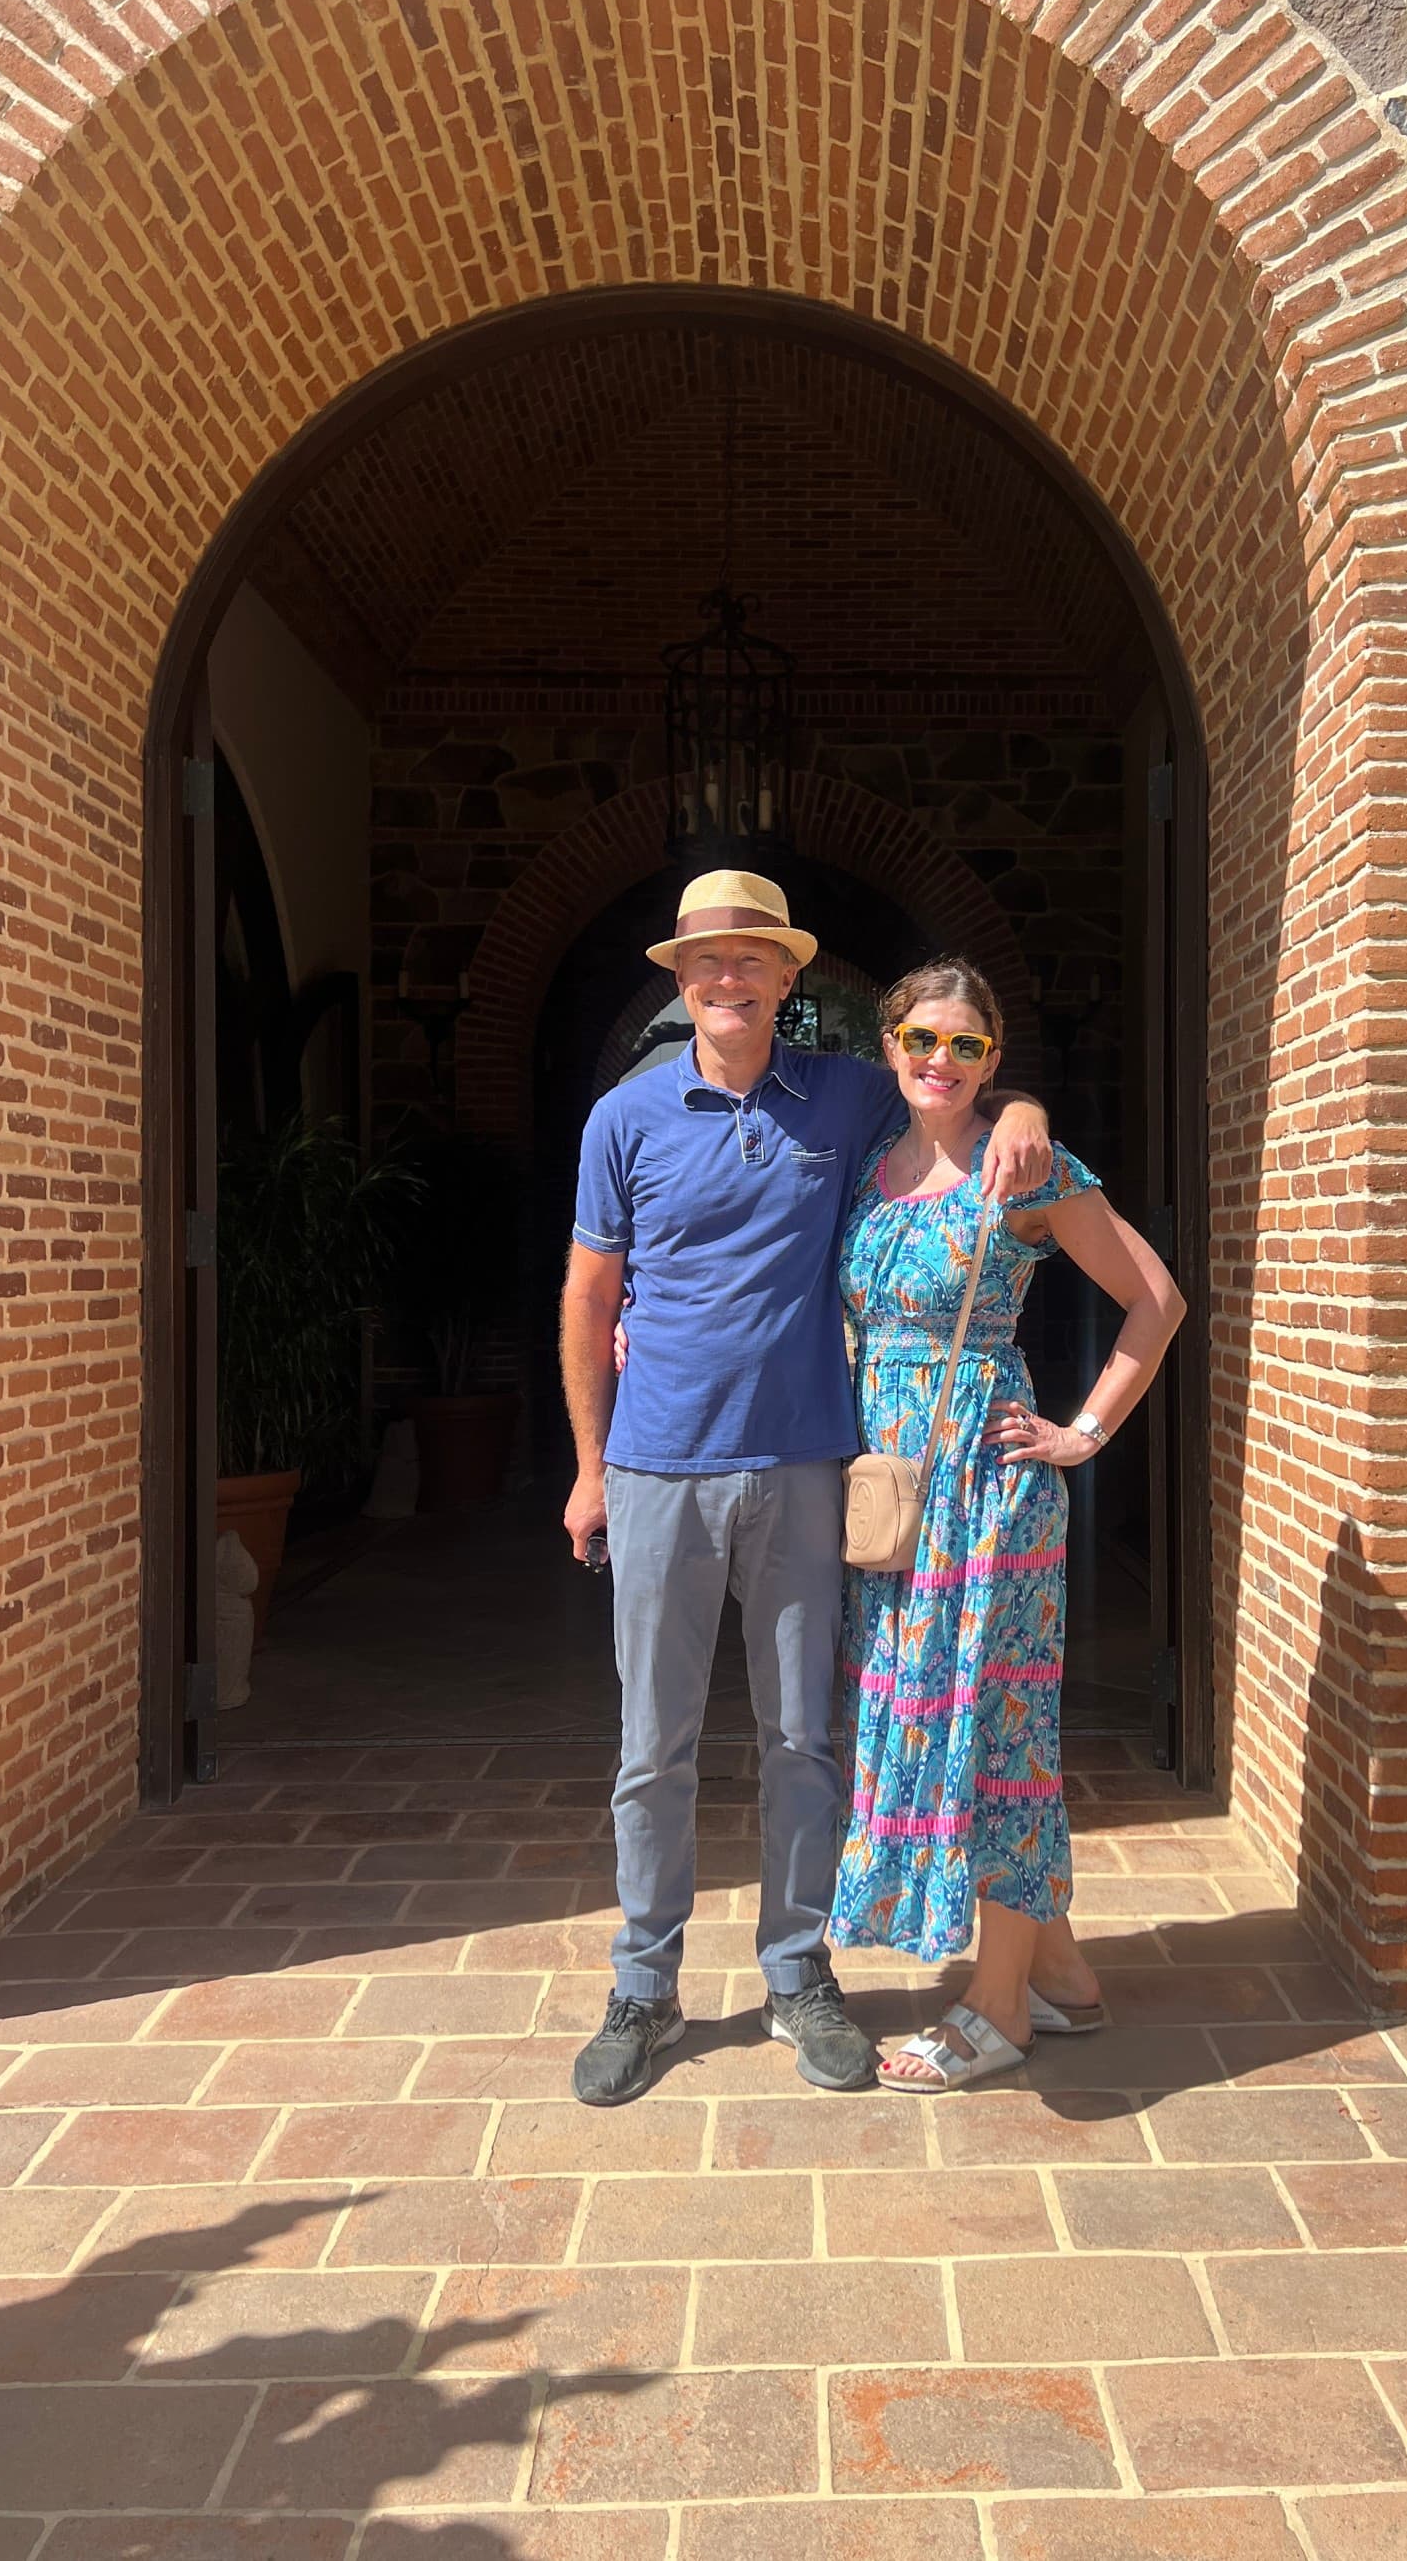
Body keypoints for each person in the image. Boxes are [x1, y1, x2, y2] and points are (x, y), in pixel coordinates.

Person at [559, 871, 1053, 2107]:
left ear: (788, 976)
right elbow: (588, 1295)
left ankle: (797, 1974)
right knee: (651, 1749)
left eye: (752, 958)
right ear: (679, 977)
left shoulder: (842, 1095)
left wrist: (1024, 1108)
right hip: (658, 1467)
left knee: (800, 1742)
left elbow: (947, 1086)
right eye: (706, 960)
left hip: (801, 1467)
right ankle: (643, 1986)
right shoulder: (623, 1118)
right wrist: (587, 1467)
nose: (728, 977)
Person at [830, 956, 1186, 2091]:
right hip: (895, 1495)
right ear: (888, 1044)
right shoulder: (869, 1167)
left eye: (966, 1044)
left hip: (987, 1494)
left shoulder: (1022, 1166)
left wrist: (1082, 1432)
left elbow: (1157, 1298)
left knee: (995, 1737)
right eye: (920, 1038)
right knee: (949, 1724)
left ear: (993, 1058)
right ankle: (1062, 1977)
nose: (940, 1060)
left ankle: (997, 2010)